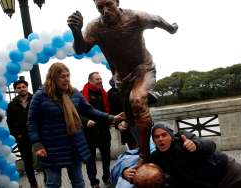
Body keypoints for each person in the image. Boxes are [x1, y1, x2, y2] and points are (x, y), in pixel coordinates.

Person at [67, 0, 178, 164]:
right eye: (100, 8)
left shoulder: (136, 17)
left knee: (137, 101)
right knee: (132, 118)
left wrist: (172, 28)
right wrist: (76, 31)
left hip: (143, 69)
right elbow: (80, 49)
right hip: (121, 79)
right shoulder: (95, 27)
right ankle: (147, 149)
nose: (105, 11)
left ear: (117, 2)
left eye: (109, 5)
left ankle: (145, 158)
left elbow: (157, 20)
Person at [27, 62, 124, 188]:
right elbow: (32, 122)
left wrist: (112, 117)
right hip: (51, 148)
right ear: (53, 77)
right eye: (62, 76)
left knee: (78, 182)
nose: (66, 79)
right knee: (53, 183)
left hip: (74, 146)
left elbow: (90, 111)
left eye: (68, 76)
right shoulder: (40, 96)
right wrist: (37, 144)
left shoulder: (74, 93)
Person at [124, 122, 241, 188]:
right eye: (156, 137)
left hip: (225, 171)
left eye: (164, 135)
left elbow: (211, 145)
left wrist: (196, 146)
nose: (160, 139)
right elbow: (141, 169)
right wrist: (125, 173)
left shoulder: (184, 139)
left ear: (171, 136)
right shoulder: (156, 158)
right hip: (205, 184)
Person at [81, 72, 113, 187]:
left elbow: (109, 111)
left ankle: (106, 177)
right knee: (90, 160)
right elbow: (77, 113)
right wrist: (86, 121)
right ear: (90, 81)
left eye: (100, 79)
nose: (100, 81)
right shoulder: (81, 94)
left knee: (106, 157)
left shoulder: (104, 93)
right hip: (89, 132)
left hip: (104, 130)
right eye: (97, 79)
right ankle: (94, 182)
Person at [6, 80, 38, 188]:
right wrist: (17, 135)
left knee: (43, 159)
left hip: (37, 135)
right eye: (19, 87)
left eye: (23, 86)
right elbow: (10, 122)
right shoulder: (11, 105)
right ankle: (33, 185)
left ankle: (47, 181)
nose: (22, 89)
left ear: (27, 87)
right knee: (28, 163)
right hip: (22, 138)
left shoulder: (36, 99)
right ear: (15, 90)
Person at [107, 78, 137, 150]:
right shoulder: (110, 94)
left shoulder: (133, 88)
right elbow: (111, 113)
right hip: (125, 126)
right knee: (133, 150)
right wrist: (118, 124)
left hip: (136, 123)